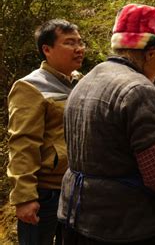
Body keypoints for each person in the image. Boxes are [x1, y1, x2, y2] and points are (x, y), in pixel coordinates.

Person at [57, 4, 155, 244]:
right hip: (124, 224)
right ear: (150, 53)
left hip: (75, 214)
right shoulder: (139, 90)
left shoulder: (88, 79)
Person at [6, 19, 85, 244]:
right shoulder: (30, 87)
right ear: (47, 49)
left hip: (75, 185)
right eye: (70, 43)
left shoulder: (79, 81)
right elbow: (22, 143)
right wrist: (24, 197)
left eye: (80, 42)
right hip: (46, 192)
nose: (79, 48)